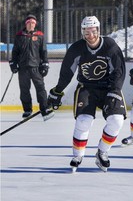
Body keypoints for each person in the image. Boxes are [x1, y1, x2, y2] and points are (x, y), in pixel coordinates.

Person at [48, 16, 127, 172]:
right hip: (86, 88)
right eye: (86, 31)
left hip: (109, 89)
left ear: (98, 30)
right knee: (84, 121)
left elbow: (119, 71)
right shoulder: (77, 48)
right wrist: (57, 91)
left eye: (93, 31)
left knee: (117, 121)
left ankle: (102, 152)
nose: (90, 35)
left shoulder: (110, 46)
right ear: (82, 32)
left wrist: (115, 90)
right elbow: (66, 72)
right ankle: (78, 156)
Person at [9, 14, 54, 121]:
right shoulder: (20, 36)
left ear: (35, 24)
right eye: (29, 23)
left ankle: (44, 108)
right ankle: (27, 109)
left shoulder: (40, 35)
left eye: (33, 23)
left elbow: (43, 52)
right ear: (26, 24)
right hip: (23, 68)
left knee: (40, 88)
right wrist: (13, 64)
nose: (31, 25)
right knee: (24, 90)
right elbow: (15, 52)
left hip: (36, 67)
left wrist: (45, 64)